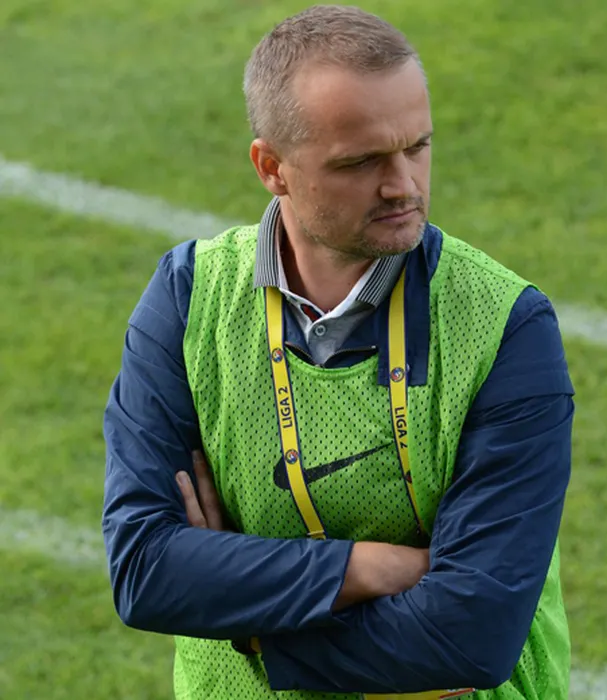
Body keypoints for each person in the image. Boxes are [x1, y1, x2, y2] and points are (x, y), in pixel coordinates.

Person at [102, 5, 575, 699]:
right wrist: (368, 569)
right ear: (272, 167)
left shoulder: (507, 325)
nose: (403, 185)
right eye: (361, 162)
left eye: (417, 147)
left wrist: (248, 620)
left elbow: (471, 635)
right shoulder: (187, 297)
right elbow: (145, 570)